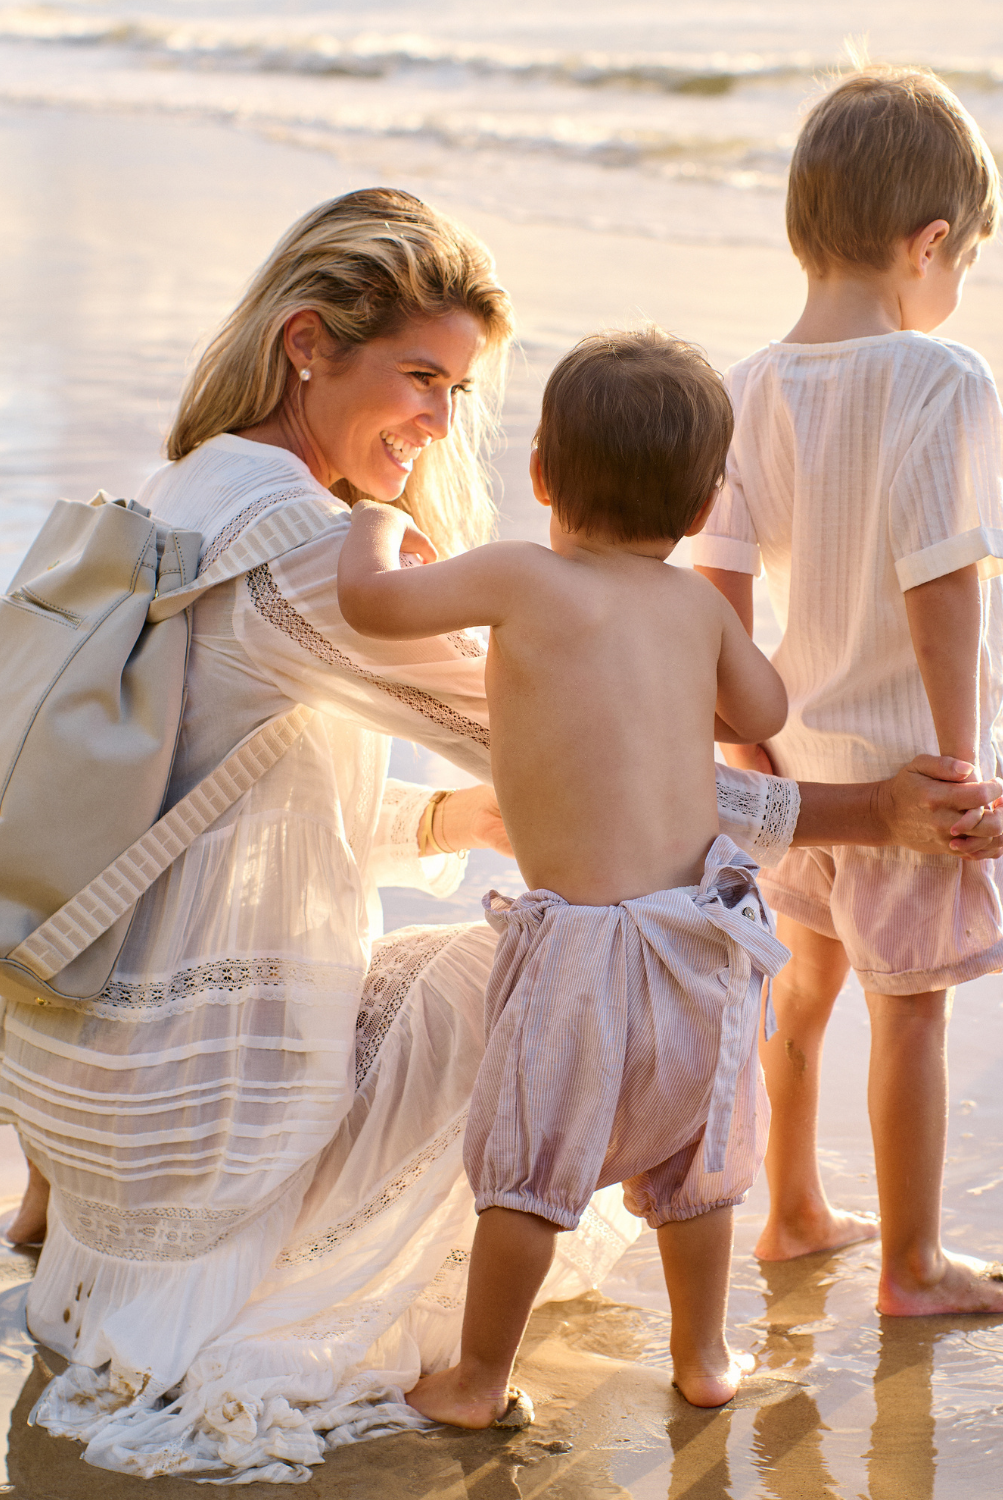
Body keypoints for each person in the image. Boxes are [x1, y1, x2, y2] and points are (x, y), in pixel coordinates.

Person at [0, 188, 1003, 1484]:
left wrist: (458, 813)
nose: (434, 421)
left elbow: (214, 786)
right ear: (307, 345)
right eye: (420, 377)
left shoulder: (203, 480)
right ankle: (614, 1349)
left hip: (92, 1048)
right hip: (190, 1111)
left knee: (509, 967)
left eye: (457, 392)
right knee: (544, 1007)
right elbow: (649, 760)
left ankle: (405, 1326)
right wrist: (874, 812)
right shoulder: (302, 541)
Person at [337, 327, 790, 1427]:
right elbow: (765, 714)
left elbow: (374, 607)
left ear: (540, 474)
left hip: (583, 946)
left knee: (531, 1175)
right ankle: (705, 1358)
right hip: (698, 935)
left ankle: (480, 1379)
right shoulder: (694, 607)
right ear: (697, 510)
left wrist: (372, 523)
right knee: (696, 1170)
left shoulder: (517, 578)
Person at [693, 66, 1003, 1315]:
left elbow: (720, 584)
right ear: (931, 243)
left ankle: (792, 1210)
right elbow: (942, 583)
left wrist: (746, 749)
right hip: (906, 765)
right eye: (965, 265)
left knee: (804, 985)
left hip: (795, 761)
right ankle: (912, 1264)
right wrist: (962, 763)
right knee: (912, 1017)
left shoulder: (746, 387)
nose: (957, 294)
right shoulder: (941, 377)